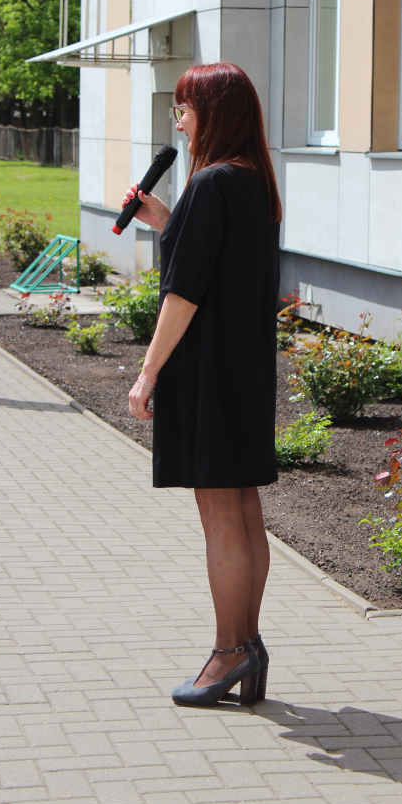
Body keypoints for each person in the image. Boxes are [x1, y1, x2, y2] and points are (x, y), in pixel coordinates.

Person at [126, 62, 281, 708]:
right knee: (243, 511)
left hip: (208, 373)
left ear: (213, 114)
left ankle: (228, 651)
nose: (180, 121)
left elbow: (185, 293)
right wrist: (170, 220)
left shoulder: (211, 182)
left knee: (221, 520)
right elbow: (217, 264)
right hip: (244, 372)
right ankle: (248, 644)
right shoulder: (252, 182)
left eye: (186, 109)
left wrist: (147, 372)